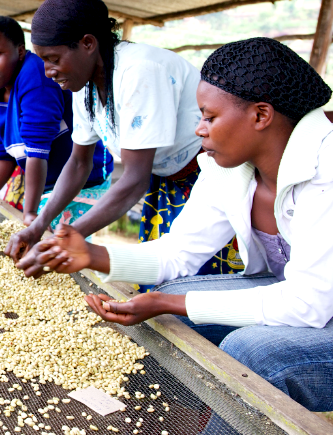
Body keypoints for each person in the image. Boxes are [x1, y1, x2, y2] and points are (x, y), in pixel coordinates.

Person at [21, 37, 333, 415]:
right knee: (173, 298)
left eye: (210, 117)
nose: (199, 129)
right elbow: (178, 252)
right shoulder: (230, 169)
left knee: (252, 352)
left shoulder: (326, 167)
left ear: (260, 115)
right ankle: (156, 413)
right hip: (311, 299)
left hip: (317, 304)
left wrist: (168, 302)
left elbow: (308, 303)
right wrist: (92, 254)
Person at [6, 0, 238, 278]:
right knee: (161, 275)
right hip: (166, 180)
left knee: (194, 279)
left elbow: (134, 178)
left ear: (88, 43)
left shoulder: (139, 71)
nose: (48, 71)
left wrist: (69, 238)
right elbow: (79, 163)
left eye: (53, 59)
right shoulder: (84, 85)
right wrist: (38, 226)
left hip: (209, 179)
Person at [0, 16, 113, 230]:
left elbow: (37, 149)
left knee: (57, 246)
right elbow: (2, 157)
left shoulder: (36, 76)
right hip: (48, 182)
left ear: (19, 51)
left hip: (83, 179)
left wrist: (31, 213)